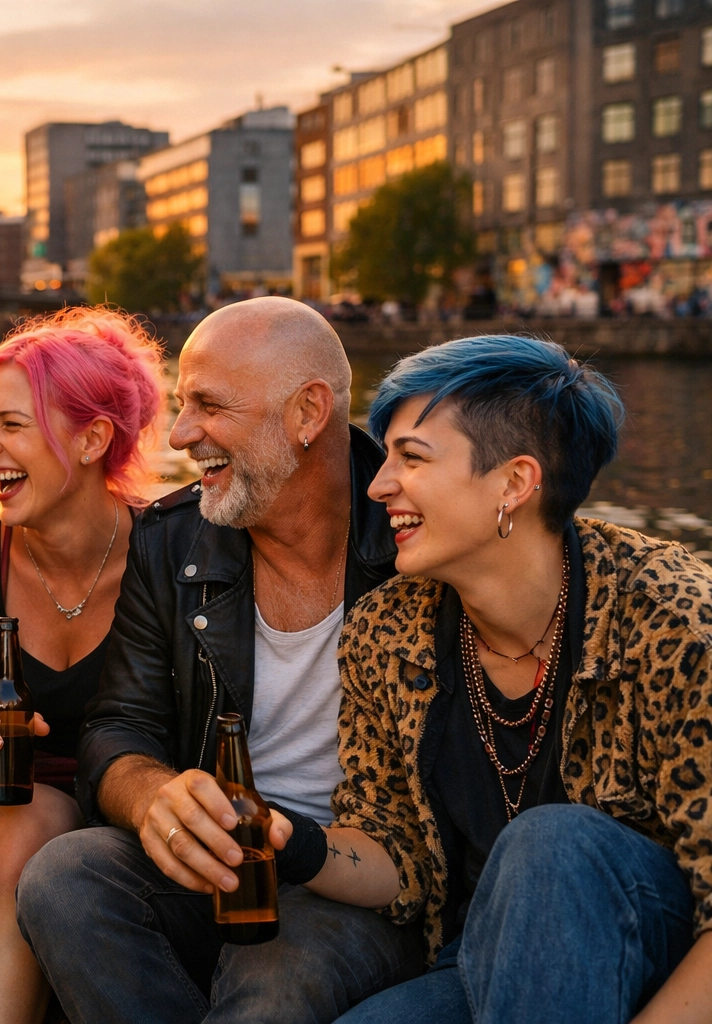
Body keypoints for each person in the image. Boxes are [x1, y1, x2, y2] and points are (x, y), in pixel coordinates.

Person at [16, 297, 425, 1023]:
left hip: (357, 877)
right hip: (218, 858)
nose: (179, 435)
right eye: (181, 405)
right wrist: (155, 798)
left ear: (308, 413)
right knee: (62, 877)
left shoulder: (417, 535)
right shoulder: (171, 539)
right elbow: (118, 727)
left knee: (277, 976)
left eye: (208, 405)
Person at [285, 335, 712, 1024]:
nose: (377, 485)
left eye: (411, 458)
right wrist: (281, 838)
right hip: (482, 956)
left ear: (514, 483)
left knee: (553, 845)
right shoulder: (386, 631)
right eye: (385, 456)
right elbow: (401, 858)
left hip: (666, 962)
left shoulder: (673, 624)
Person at [0, 308, 164, 1024]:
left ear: (93, 439)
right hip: (3, 813)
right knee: (14, 824)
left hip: (130, 811)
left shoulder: (168, 551)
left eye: (11, 424)